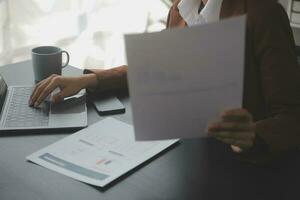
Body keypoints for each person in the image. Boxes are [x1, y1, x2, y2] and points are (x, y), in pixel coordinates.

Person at [29, 0, 300, 164]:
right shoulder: (182, 10)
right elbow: (157, 68)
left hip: (245, 167)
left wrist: (253, 135)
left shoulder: (264, 14)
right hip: (188, 156)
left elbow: (292, 116)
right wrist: (90, 79)